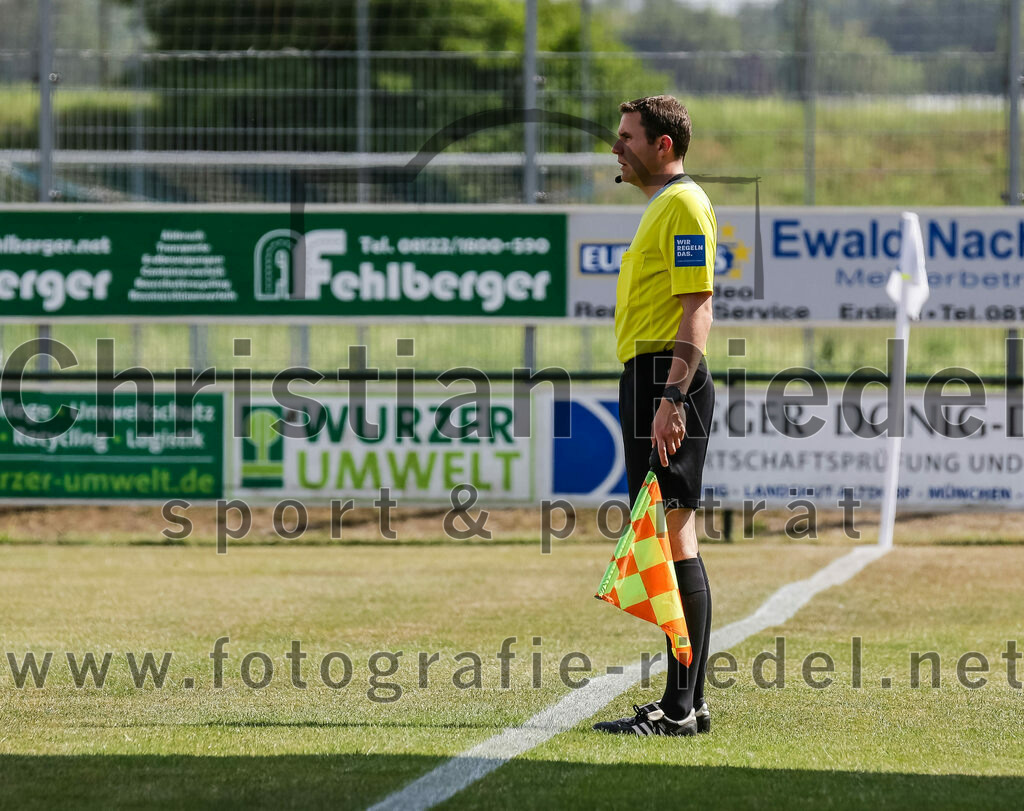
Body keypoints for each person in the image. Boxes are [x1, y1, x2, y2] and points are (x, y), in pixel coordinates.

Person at [593, 95, 717, 737]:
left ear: (663, 145)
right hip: (649, 380)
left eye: (627, 136)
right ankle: (684, 702)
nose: (616, 147)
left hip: (666, 382)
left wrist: (673, 396)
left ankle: (681, 706)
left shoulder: (684, 204)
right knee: (668, 539)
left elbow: (697, 303)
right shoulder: (661, 207)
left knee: (674, 540)